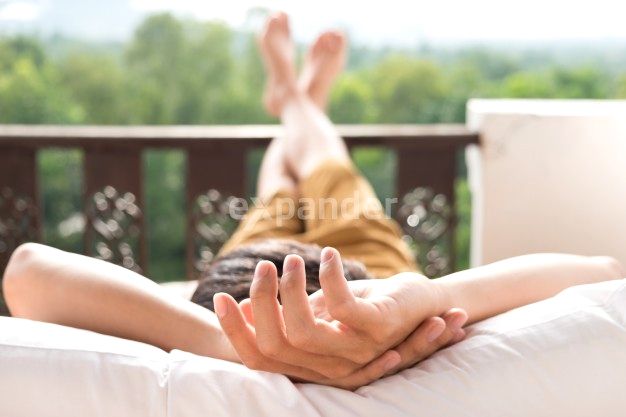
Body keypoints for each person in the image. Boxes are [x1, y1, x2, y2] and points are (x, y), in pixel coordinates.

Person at [2, 12, 624, 391]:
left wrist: (233, 342)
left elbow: (28, 272)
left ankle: (294, 100)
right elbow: (604, 271)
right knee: (326, 166)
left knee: (279, 187)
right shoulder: (396, 310)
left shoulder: (200, 318)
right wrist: (422, 296)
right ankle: (302, 103)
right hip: (364, 273)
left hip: (251, 270)